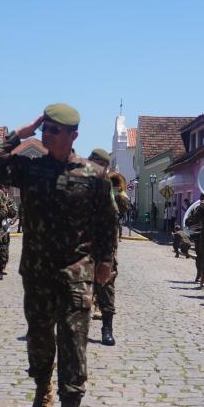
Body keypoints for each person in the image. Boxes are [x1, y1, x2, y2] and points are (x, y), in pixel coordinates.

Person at [0, 103, 118, 407]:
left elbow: (107, 222)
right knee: (39, 336)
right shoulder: (29, 168)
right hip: (37, 269)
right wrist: (19, 135)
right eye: (45, 129)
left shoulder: (93, 175)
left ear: (73, 136)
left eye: (55, 130)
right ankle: (43, 386)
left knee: (73, 338)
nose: (48, 135)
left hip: (76, 269)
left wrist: (105, 262)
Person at [87, 148, 128, 346]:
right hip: (83, 248)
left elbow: (119, 216)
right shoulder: (81, 185)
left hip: (105, 247)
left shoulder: (110, 191)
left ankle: (107, 328)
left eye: (99, 164)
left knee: (107, 287)